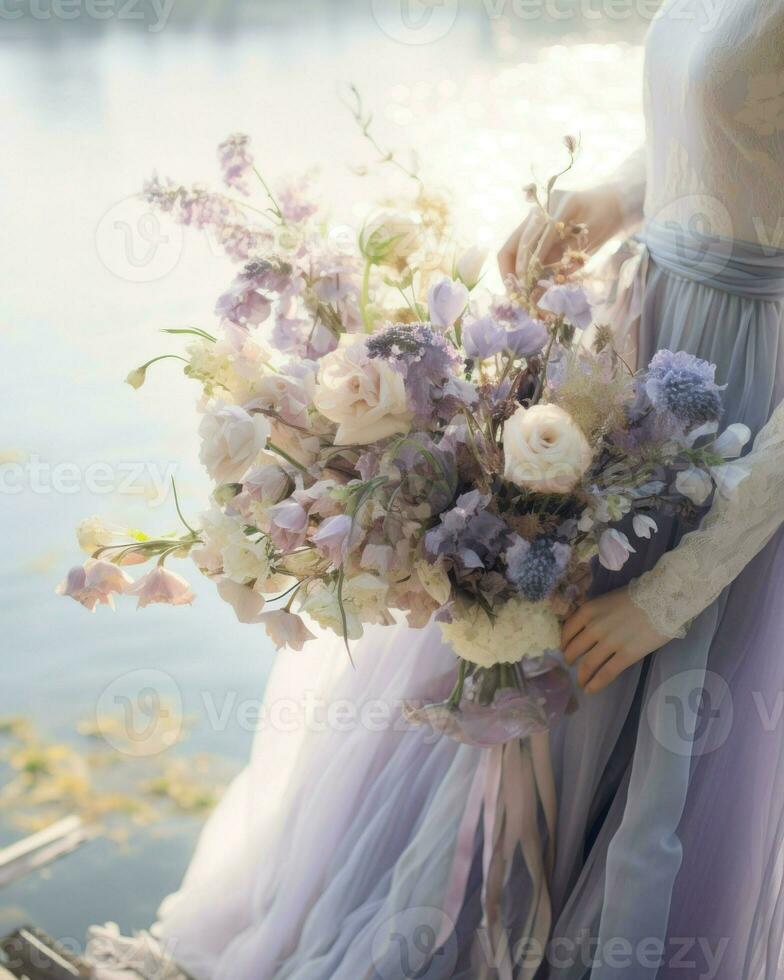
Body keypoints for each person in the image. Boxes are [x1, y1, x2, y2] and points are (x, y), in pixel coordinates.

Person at [144, 3, 784, 977]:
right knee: (513, 688)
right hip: (637, 352)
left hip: (741, 431)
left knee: (658, 755)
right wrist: (611, 197)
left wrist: (673, 589)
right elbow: (729, 121)